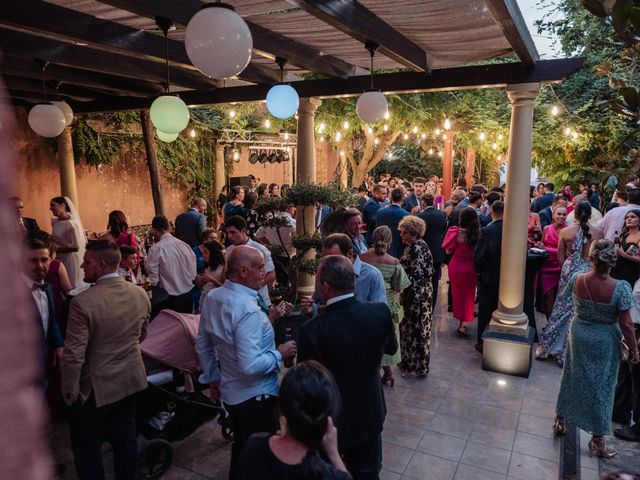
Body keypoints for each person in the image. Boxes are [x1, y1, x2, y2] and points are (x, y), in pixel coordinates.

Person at [196, 246, 295, 480]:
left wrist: (214, 378)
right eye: (260, 268)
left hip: (232, 391)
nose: (265, 272)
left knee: (243, 445)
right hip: (256, 397)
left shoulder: (215, 297)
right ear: (242, 271)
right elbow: (249, 365)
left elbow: (204, 344)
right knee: (256, 454)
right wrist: (279, 354)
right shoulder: (247, 309)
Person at [298, 255, 396, 480]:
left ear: (325, 286)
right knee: (368, 474)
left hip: (328, 422)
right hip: (368, 414)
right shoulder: (380, 313)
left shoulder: (313, 330)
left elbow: (307, 386)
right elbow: (390, 349)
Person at [60, 240, 151, 480]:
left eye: (87, 261)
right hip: (131, 378)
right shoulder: (139, 293)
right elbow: (142, 334)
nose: (81, 265)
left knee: (86, 447)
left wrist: (69, 392)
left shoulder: (82, 303)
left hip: (95, 389)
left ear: (100, 265)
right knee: (125, 438)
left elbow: (73, 355)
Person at [553, 240, 640, 458]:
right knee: (602, 387)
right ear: (613, 260)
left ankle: (560, 420)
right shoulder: (620, 288)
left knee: (571, 377)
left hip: (579, 333)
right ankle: (598, 440)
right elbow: (627, 324)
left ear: (591, 258)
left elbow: (567, 301)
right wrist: (634, 349)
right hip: (605, 339)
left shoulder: (578, 279)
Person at [237, 361, 351, 480]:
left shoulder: (254, 448)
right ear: (329, 419)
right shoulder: (327, 474)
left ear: (281, 409)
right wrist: (333, 454)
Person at [537, 202, 604, 364]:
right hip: (588, 271)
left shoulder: (566, 232)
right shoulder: (599, 233)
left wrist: (567, 270)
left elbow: (561, 257)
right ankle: (570, 350)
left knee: (561, 309)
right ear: (590, 215)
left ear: (574, 215)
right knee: (579, 310)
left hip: (570, 270)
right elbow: (599, 257)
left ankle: (551, 346)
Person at [360, 226, 410, 387]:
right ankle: (388, 372)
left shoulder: (361, 258)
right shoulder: (394, 262)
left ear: (373, 239)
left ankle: (372, 371)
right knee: (384, 339)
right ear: (389, 241)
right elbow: (400, 287)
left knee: (366, 338)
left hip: (364, 303)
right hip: (386, 305)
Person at [610, 210, 640, 434]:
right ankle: (620, 407)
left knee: (630, 366)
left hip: (631, 277)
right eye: (627, 217)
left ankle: (626, 412)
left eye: (633, 217)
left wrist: (624, 255)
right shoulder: (622, 235)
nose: (629, 219)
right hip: (620, 275)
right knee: (626, 366)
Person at [23, 237, 64, 387]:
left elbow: (50, 321)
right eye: (33, 260)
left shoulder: (48, 289)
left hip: (43, 365)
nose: (40, 265)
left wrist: (59, 344)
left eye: (44, 259)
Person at [398, 215, 434, 378]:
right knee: (410, 330)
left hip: (417, 297)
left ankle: (414, 366)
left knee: (415, 331)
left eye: (404, 233)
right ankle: (408, 362)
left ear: (413, 232)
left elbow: (417, 277)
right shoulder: (413, 245)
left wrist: (405, 295)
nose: (401, 236)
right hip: (416, 293)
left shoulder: (417, 248)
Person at [146, 215, 197, 313]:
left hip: (169, 298)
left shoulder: (156, 249)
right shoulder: (184, 245)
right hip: (188, 294)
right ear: (168, 227)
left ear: (155, 230)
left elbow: (154, 279)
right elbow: (193, 270)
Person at [442, 207, 479, 336]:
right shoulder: (477, 233)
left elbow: (448, 251)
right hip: (470, 267)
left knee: (458, 295)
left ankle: (460, 320)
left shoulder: (455, 232)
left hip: (456, 266)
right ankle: (462, 324)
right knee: (469, 296)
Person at [225, 215, 276, 305]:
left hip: (258, 300)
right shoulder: (229, 250)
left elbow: (271, 274)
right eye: (227, 233)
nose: (229, 236)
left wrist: (255, 285)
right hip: (236, 301)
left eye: (233, 232)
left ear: (243, 231)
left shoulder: (260, 249)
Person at [473, 201, 504, 350]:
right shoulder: (513, 229)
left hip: (488, 277)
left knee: (485, 311)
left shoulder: (487, 231)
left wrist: (479, 271)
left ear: (492, 212)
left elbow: (478, 256)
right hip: (507, 278)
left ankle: (482, 341)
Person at [417, 193, 447, 308]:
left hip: (424, 252)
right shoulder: (442, 214)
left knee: (423, 279)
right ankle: (432, 305)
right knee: (434, 281)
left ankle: (423, 304)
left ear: (423, 203)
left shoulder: (420, 216)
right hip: (438, 252)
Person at [50, 196, 87, 290]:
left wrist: (56, 249)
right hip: (58, 257)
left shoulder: (72, 224)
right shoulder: (55, 221)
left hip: (69, 259)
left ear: (62, 205)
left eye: (53, 205)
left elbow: (76, 247)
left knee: (70, 285)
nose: (50, 208)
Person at [540, 205, 568, 318]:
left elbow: (567, 252)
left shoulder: (568, 230)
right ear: (553, 215)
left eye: (564, 214)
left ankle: (556, 323)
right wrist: (540, 246)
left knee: (560, 296)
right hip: (547, 266)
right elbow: (542, 244)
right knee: (548, 294)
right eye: (559, 214)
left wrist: (546, 249)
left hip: (561, 266)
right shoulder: (547, 228)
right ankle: (549, 324)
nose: (561, 216)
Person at [375, 187, 409, 259]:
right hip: (398, 249)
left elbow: (377, 230)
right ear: (402, 199)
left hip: (382, 248)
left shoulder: (380, 212)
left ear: (391, 198)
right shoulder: (405, 214)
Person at [196, 240, 226, 313]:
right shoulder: (208, 267)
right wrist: (199, 282)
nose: (203, 256)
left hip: (215, 304)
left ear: (214, 253)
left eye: (206, 253)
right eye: (203, 253)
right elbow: (204, 287)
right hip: (204, 300)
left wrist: (212, 280)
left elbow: (225, 288)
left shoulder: (223, 268)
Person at [192, 228, 218, 310]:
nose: (214, 240)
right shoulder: (194, 251)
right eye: (211, 238)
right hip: (197, 286)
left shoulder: (218, 251)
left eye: (215, 238)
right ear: (204, 239)